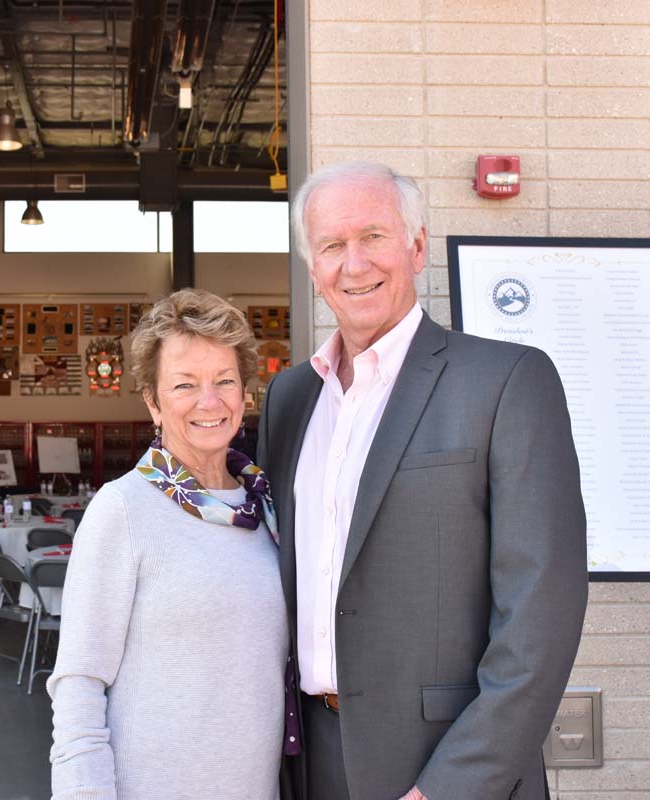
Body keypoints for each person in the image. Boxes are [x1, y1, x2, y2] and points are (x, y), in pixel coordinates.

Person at [257, 161, 588, 800]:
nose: (354, 264)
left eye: (373, 236)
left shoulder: (506, 381)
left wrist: (450, 787)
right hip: (309, 761)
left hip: (443, 766)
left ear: (416, 247)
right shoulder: (289, 399)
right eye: (331, 245)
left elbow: (539, 618)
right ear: (312, 268)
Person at [49, 289, 288, 800]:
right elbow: (79, 681)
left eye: (225, 380)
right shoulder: (123, 509)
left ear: (245, 394)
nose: (209, 401)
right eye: (184, 384)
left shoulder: (266, 507)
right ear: (153, 403)